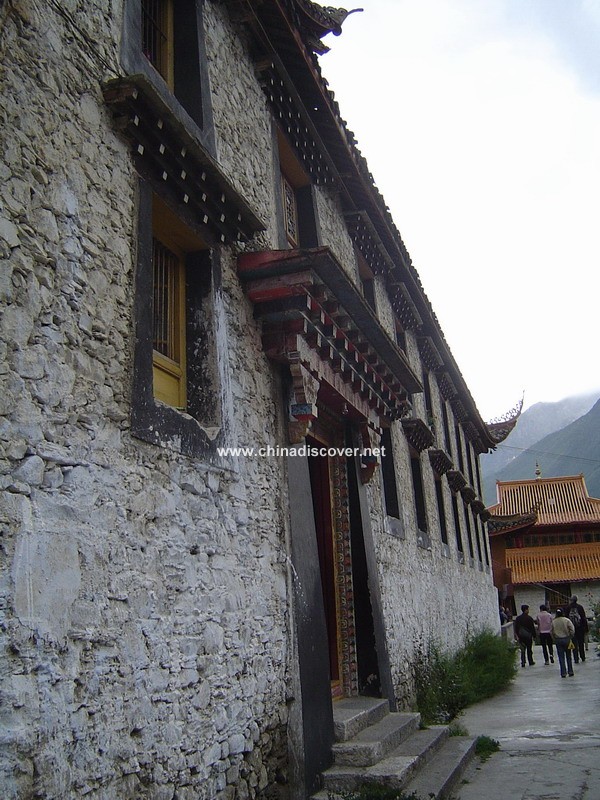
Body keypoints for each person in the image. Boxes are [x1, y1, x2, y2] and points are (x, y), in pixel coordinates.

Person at [551, 608, 575, 678]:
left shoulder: (554, 621)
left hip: (558, 639)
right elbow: (572, 629)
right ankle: (570, 671)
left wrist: (554, 638)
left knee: (561, 657)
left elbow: (551, 631)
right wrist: (571, 636)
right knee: (568, 656)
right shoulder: (566, 620)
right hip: (566, 639)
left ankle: (563, 672)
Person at [567, 595, 589, 663]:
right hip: (580, 627)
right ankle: (582, 657)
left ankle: (576, 658)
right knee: (581, 643)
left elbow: (566, 618)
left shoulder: (568, 608)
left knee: (574, 644)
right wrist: (586, 628)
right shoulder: (580, 607)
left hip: (571, 628)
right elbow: (583, 618)